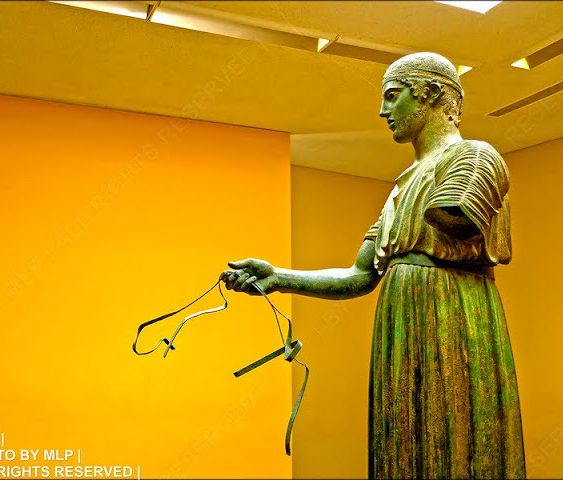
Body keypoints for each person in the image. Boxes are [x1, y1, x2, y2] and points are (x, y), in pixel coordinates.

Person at [223, 52, 526, 479]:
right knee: (402, 438)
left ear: (431, 93)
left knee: (452, 435)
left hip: (451, 311)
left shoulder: (474, 156)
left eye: (393, 96)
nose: (383, 111)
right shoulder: (402, 186)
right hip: (401, 316)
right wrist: (279, 278)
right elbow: (360, 275)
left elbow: (458, 214)